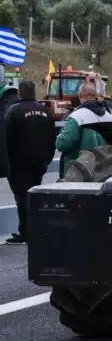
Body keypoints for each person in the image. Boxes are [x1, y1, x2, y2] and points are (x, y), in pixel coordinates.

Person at [4, 82, 56, 244]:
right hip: (39, 163)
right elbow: (52, 139)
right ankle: (36, 229)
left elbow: (6, 139)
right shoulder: (45, 111)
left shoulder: (13, 112)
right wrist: (47, 159)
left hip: (19, 163)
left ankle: (25, 232)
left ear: (20, 93)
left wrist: (7, 163)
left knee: (21, 197)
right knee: (34, 196)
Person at [56, 82, 112, 177]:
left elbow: (63, 143)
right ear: (95, 96)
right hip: (103, 170)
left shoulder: (77, 117)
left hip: (78, 172)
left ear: (80, 95)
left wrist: (58, 138)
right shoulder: (108, 116)